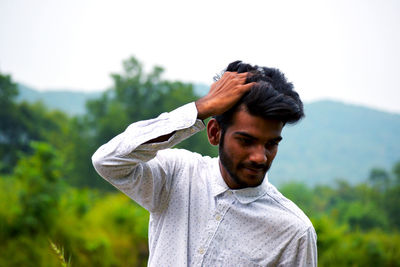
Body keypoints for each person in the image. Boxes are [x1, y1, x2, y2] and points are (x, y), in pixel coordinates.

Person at [92, 61, 317, 266]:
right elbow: (108, 161)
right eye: (246, 141)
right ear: (214, 133)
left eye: (271, 144)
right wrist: (200, 109)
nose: (260, 157)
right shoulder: (177, 174)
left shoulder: (294, 231)